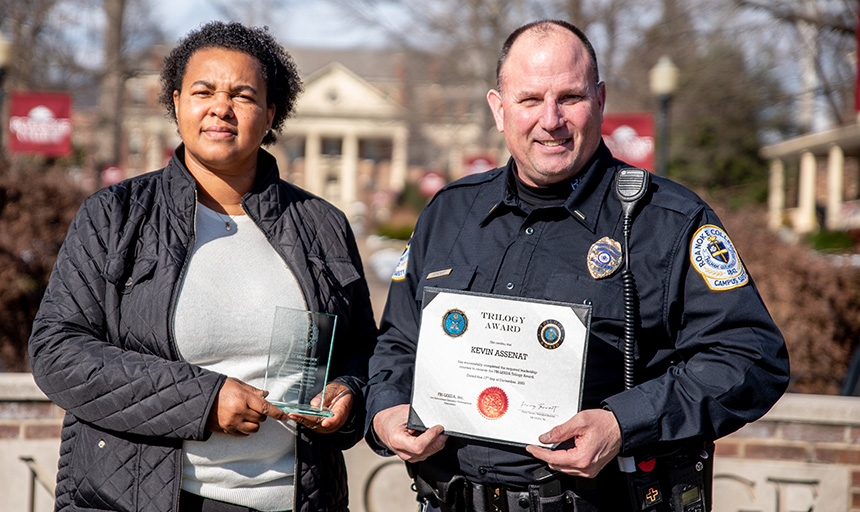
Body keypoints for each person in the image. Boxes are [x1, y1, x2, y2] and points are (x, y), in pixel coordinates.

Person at [364, 19, 789, 512]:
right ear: (499, 111)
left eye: (570, 97)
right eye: (529, 100)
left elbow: (750, 357)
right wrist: (385, 411)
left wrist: (621, 424)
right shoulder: (449, 214)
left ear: (600, 100)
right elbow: (398, 342)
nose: (551, 119)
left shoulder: (665, 222)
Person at [29, 21, 377, 512]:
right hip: (144, 498)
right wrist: (201, 400)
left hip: (298, 498)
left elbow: (361, 348)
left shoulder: (321, 225)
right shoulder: (115, 215)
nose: (221, 107)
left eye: (243, 95)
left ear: (271, 112)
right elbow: (57, 351)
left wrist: (348, 393)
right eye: (203, 90)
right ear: (175, 103)